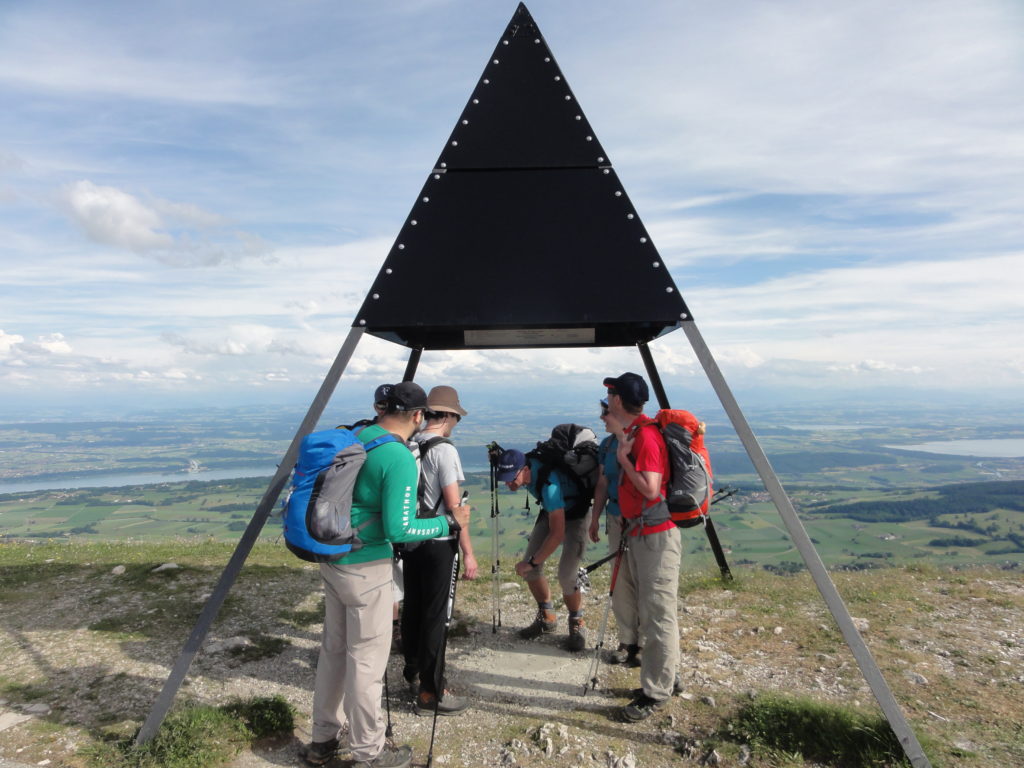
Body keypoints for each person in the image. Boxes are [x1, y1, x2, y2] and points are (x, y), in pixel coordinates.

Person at [301, 382, 471, 768]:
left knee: (334, 652)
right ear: (416, 416)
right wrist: (448, 523)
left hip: (335, 557)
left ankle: (323, 739)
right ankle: (369, 753)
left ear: (382, 410)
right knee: (366, 661)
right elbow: (401, 528)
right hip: (367, 568)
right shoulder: (396, 456)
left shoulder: (359, 436)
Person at [603, 371, 681, 722]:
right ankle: (661, 677)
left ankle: (657, 691)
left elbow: (650, 489)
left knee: (658, 614)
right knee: (651, 610)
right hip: (642, 532)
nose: (607, 403)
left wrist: (622, 462)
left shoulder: (646, 437)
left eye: (610, 397)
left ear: (618, 400)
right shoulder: (636, 433)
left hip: (656, 538)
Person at [402, 385, 476, 716]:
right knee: (436, 615)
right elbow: (454, 506)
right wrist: (469, 552)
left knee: (414, 605)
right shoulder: (444, 451)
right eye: (455, 418)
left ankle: (412, 669)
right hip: (439, 541)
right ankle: (431, 692)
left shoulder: (409, 443)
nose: (455, 424)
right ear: (446, 416)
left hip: (411, 538)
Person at [495, 443, 591, 652]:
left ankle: (577, 622)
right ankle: (547, 618)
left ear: (525, 470)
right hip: (552, 511)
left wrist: (532, 562)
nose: (509, 483)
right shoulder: (527, 467)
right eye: (506, 477)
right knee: (531, 570)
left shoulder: (550, 485)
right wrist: (532, 563)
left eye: (512, 477)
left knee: (567, 575)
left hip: (577, 515)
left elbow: (557, 534)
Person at [589, 398, 641, 667]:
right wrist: (595, 517)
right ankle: (627, 640)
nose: (602, 418)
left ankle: (643, 643)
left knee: (641, 580)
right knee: (619, 580)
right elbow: (602, 482)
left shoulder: (639, 441)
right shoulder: (607, 446)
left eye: (605, 413)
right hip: (615, 516)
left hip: (640, 520)